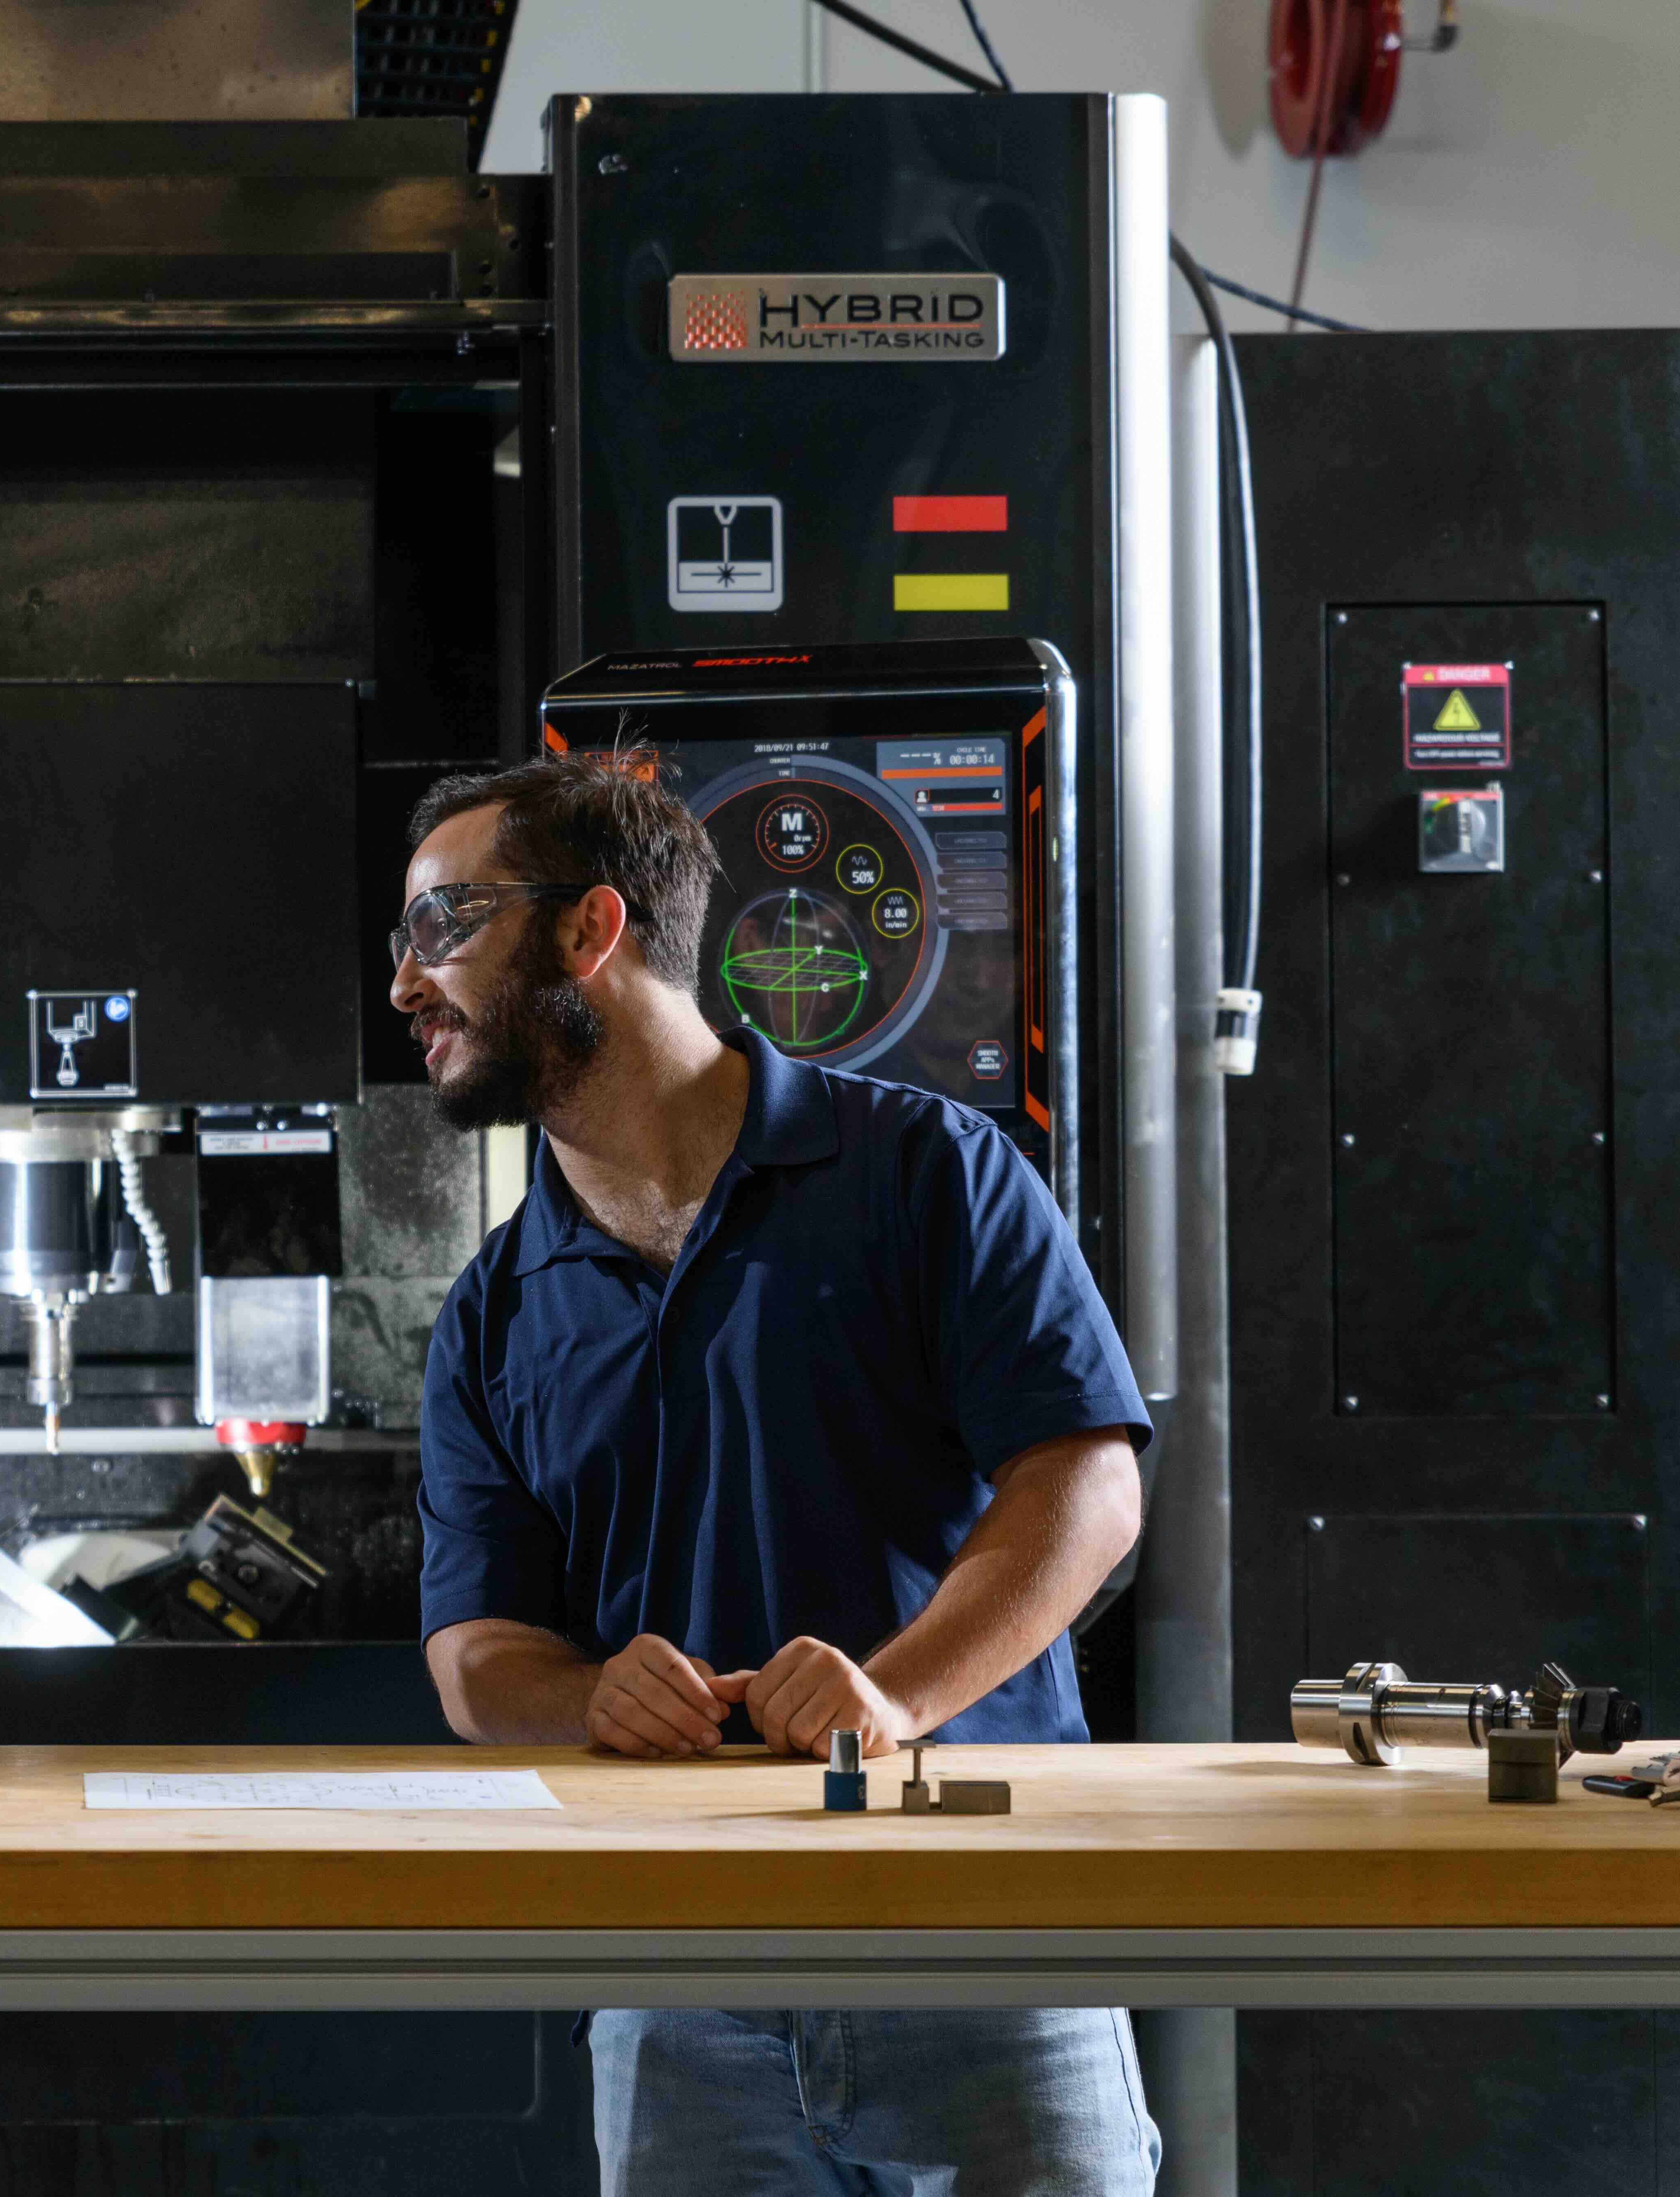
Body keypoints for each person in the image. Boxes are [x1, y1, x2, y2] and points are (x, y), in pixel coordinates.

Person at [391, 752, 1158, 2196]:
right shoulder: (495, 1307)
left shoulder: (930, 1172)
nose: (405, 986)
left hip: (983, 1950)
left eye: (445, 926)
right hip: (676, 1984)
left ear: (588, 932)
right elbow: (473, 1653)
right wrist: (583, 1694)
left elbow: (1085, 1490)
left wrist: (893, 1700)